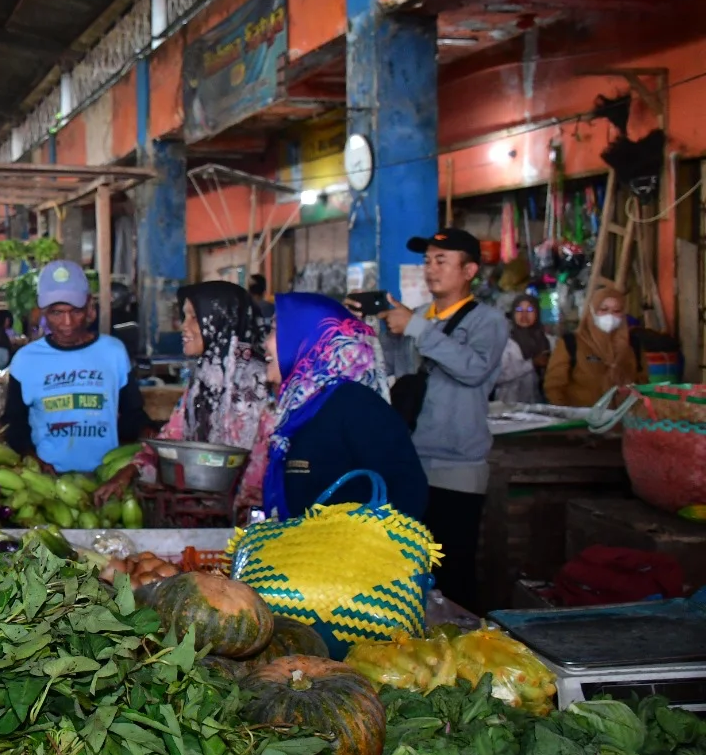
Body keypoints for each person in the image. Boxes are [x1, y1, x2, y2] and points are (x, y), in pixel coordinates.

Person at [360, 228, 507, 610]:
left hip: (457, 468)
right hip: (411, 461)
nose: (430, 269)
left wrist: (415, 327)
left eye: (442, 260)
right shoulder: (420, 317)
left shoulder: (488, 321)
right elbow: (397, 370)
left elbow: (472, 369)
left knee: (453, 571)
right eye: (427, 261)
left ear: (470, 269)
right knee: (409, 570)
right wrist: (383, 328)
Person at [105, 282, 272, 507]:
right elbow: (174, 433)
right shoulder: (207, 375)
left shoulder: (256, 382)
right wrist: (132, 469)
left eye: (194, 318)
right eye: (185, 317)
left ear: (221, 321)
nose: (184, 327)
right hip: (207, 510)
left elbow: (260, 464)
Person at [262, 292, 427, 520]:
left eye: (274, 330)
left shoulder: (355, 404)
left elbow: (407, 491)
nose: (264, 343)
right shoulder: (301, 408)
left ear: (308, 337)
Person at [2, 260, 146, 475]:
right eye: (56, 313)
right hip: (49, 481)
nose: (67, 323)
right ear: (42, 311)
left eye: (76, 311)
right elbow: (14, 422)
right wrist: (31, 458)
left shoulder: (113, 352)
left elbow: (132, 414)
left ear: (90, 307)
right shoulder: (26, 360)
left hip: (105, 477)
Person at [543, 287, 643, 407]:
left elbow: (643, 384)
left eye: (616, 310)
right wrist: (568, 418)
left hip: (624, 421)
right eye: (603, 309)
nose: (609, 316)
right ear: (592, 311)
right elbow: (553, 386)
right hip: (582, 422)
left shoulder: (632, 346)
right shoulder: (572, 343)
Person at [494, 294, 552, 404]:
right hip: (508, 405)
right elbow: (496, 377)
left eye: (530, 309)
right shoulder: (503, 342)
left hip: (540, 405)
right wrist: (532, 364)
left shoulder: (548, 341)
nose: (524, 314)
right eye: (519, 309)